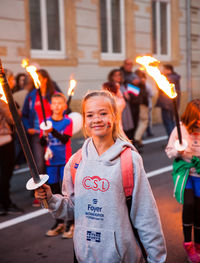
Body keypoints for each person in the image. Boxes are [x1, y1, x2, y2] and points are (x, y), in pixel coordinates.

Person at [35, 90, 166, 263]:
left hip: (121, 257)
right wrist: (50, 199)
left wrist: (157, 258)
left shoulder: (130, 160)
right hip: (83, 255)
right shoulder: (75, 162)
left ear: (114, 116)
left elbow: (145, 215)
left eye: (103, 113)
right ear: (85, 120)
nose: (96, 119)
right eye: (90, 115)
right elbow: (73, 209)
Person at [165, 99, 200, 263]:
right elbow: (169, 151)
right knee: (189, 204)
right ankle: (188, 244)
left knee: (199, 210)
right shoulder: (180, 129)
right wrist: (178, 151)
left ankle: (198, 244)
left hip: (199, 175)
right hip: (185, 172)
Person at [40, 93, 74, 238]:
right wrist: (44, 136)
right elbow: (42, 142)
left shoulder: (68, 122)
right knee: (54, 191)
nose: (57, 106)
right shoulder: (46, 121)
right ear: (50, 106)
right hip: (51, 162)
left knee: (67, 191)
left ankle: (71, 222)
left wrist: (51, 130)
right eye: (54, 103)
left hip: (65, 161)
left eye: (60, 103)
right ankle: (59, 221)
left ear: (65, 106)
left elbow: (65, 139)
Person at [22, 69, 56, 206]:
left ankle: (55, 190)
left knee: (54, 163)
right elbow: (24, 114)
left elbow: (63, 110)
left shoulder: (53, 94)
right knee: (39, 164)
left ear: (46, 79)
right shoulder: (31, 96)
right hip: (37, 134)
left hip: (53, 135)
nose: (39, 81)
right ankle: (39, 192)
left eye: (41, 79)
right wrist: (27, 127)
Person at [0, 97, 23, 215]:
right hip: (4, 141)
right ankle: (5, 203)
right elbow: (13, 119)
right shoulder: (1, 103)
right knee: (5, 173)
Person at [107, 69, 134, 140]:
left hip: (125, 108)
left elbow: (131, 95)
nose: (118, 77)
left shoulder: (124, 85)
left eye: (119, 75)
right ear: (112, 77)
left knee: (127, 128)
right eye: (116, 75)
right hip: (116, 109)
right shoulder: (110, 86)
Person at [156, 64, 181, 137]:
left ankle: (172, 140)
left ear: (169, 70)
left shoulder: (170, 78)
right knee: (171, 122)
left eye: (164, 69)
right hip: (171, 104)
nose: (163, 71)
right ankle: (174, 139)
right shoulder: (174, 77)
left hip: (167, 104)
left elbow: (161, 87)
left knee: (168, 122)